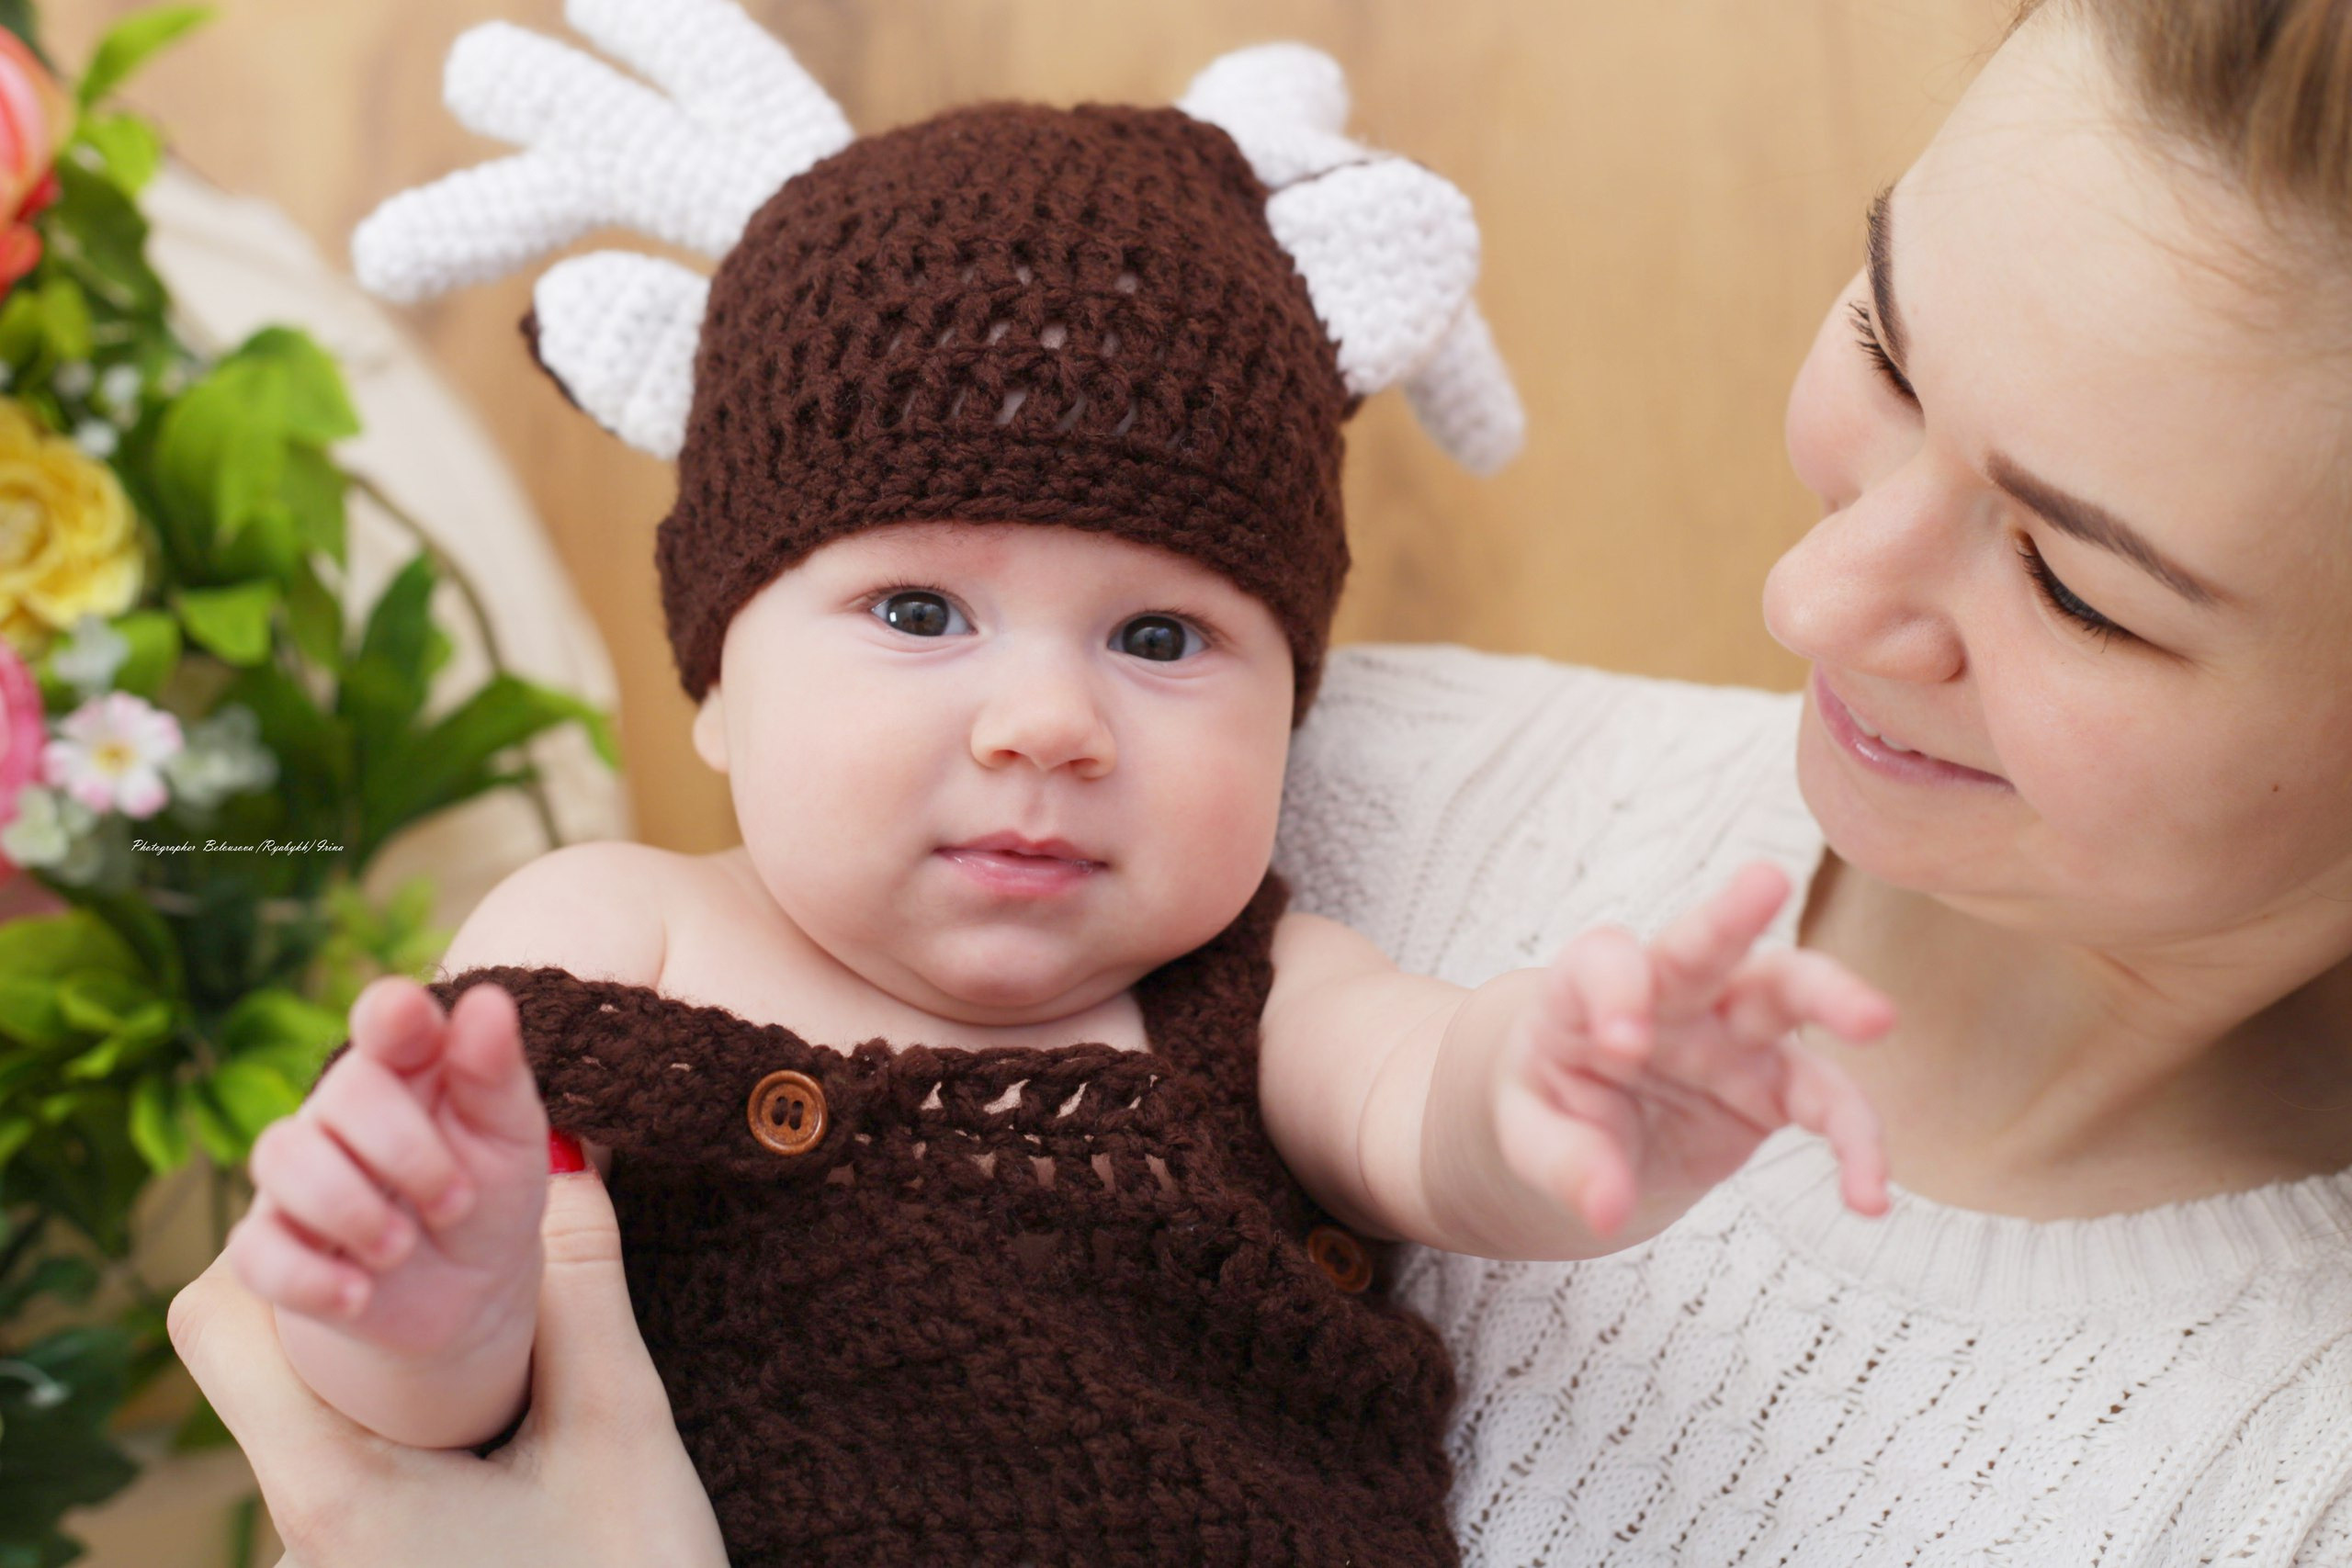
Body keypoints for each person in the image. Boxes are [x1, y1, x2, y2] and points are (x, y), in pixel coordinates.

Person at [170, 0, 2352, 1562]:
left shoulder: (1245, 969)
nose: (1045, 723)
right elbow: (430, 1423)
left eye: (2077, 581)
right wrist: (421, 1291)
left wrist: (1582, 1089)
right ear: (713, 671)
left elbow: (1439, 1110)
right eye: (1880, 340)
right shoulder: (597, 936)